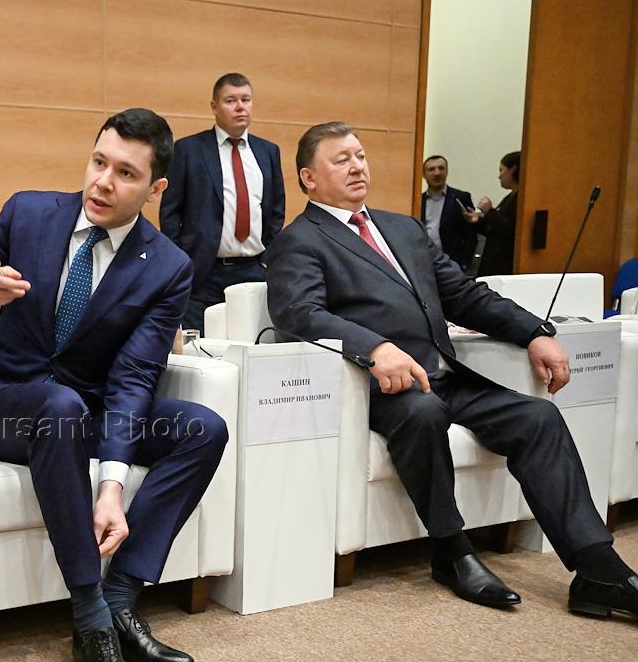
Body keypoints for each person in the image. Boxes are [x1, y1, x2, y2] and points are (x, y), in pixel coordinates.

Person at [266, 122, 637, 619]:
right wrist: (374, 347)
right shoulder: (299, 241)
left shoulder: (402, 228)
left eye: (360, 155)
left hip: (445, 376)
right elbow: (299, 313)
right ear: (308, 178)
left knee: (538, 418)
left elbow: (463, 295)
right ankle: (452, 551)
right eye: (341, 160)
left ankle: (597, 568)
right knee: (423, 413)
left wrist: (534, 332)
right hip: (378, 388)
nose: (357, 167)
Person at [0, 109, 229, 662]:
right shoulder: (26, 213)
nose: (102, 182)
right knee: (60, 405)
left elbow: (134, 377)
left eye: (126, 173)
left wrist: (112, 485)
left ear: (155, 189)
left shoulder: (167, 266)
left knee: (202, 429)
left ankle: (121, 597)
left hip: (86, 411)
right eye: (99, 162)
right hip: (0, 405)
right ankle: (90, 620)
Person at [160, 73, 285, 331]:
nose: (240, 107)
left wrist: (267, 259)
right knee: (202, 345)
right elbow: (170, 212)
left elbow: (276, 209)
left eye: (245, 100)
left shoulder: (268, 152)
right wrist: (182, 261)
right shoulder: (188, 150)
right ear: (214, 107)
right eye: (231, 100)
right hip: (203, 272)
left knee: (251, 341)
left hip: (253, 270)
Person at [419, 155, 477, 272]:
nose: (437, 173)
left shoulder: (461, 198)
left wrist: (464, 263)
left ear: (447, 171)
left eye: (441, 168)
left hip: (452, 264)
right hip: (423, 262)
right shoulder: (418, 201)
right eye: (431, 169)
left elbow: (471, 235)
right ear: (424, 175)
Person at [470, 150, 521, 276]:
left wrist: (490, 211)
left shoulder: (522, 199)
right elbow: (494, 230)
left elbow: (511, 229)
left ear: (513, 169)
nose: (499, 176)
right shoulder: (510, 197)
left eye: (501, 170)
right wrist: (478, 221)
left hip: (505, 265)